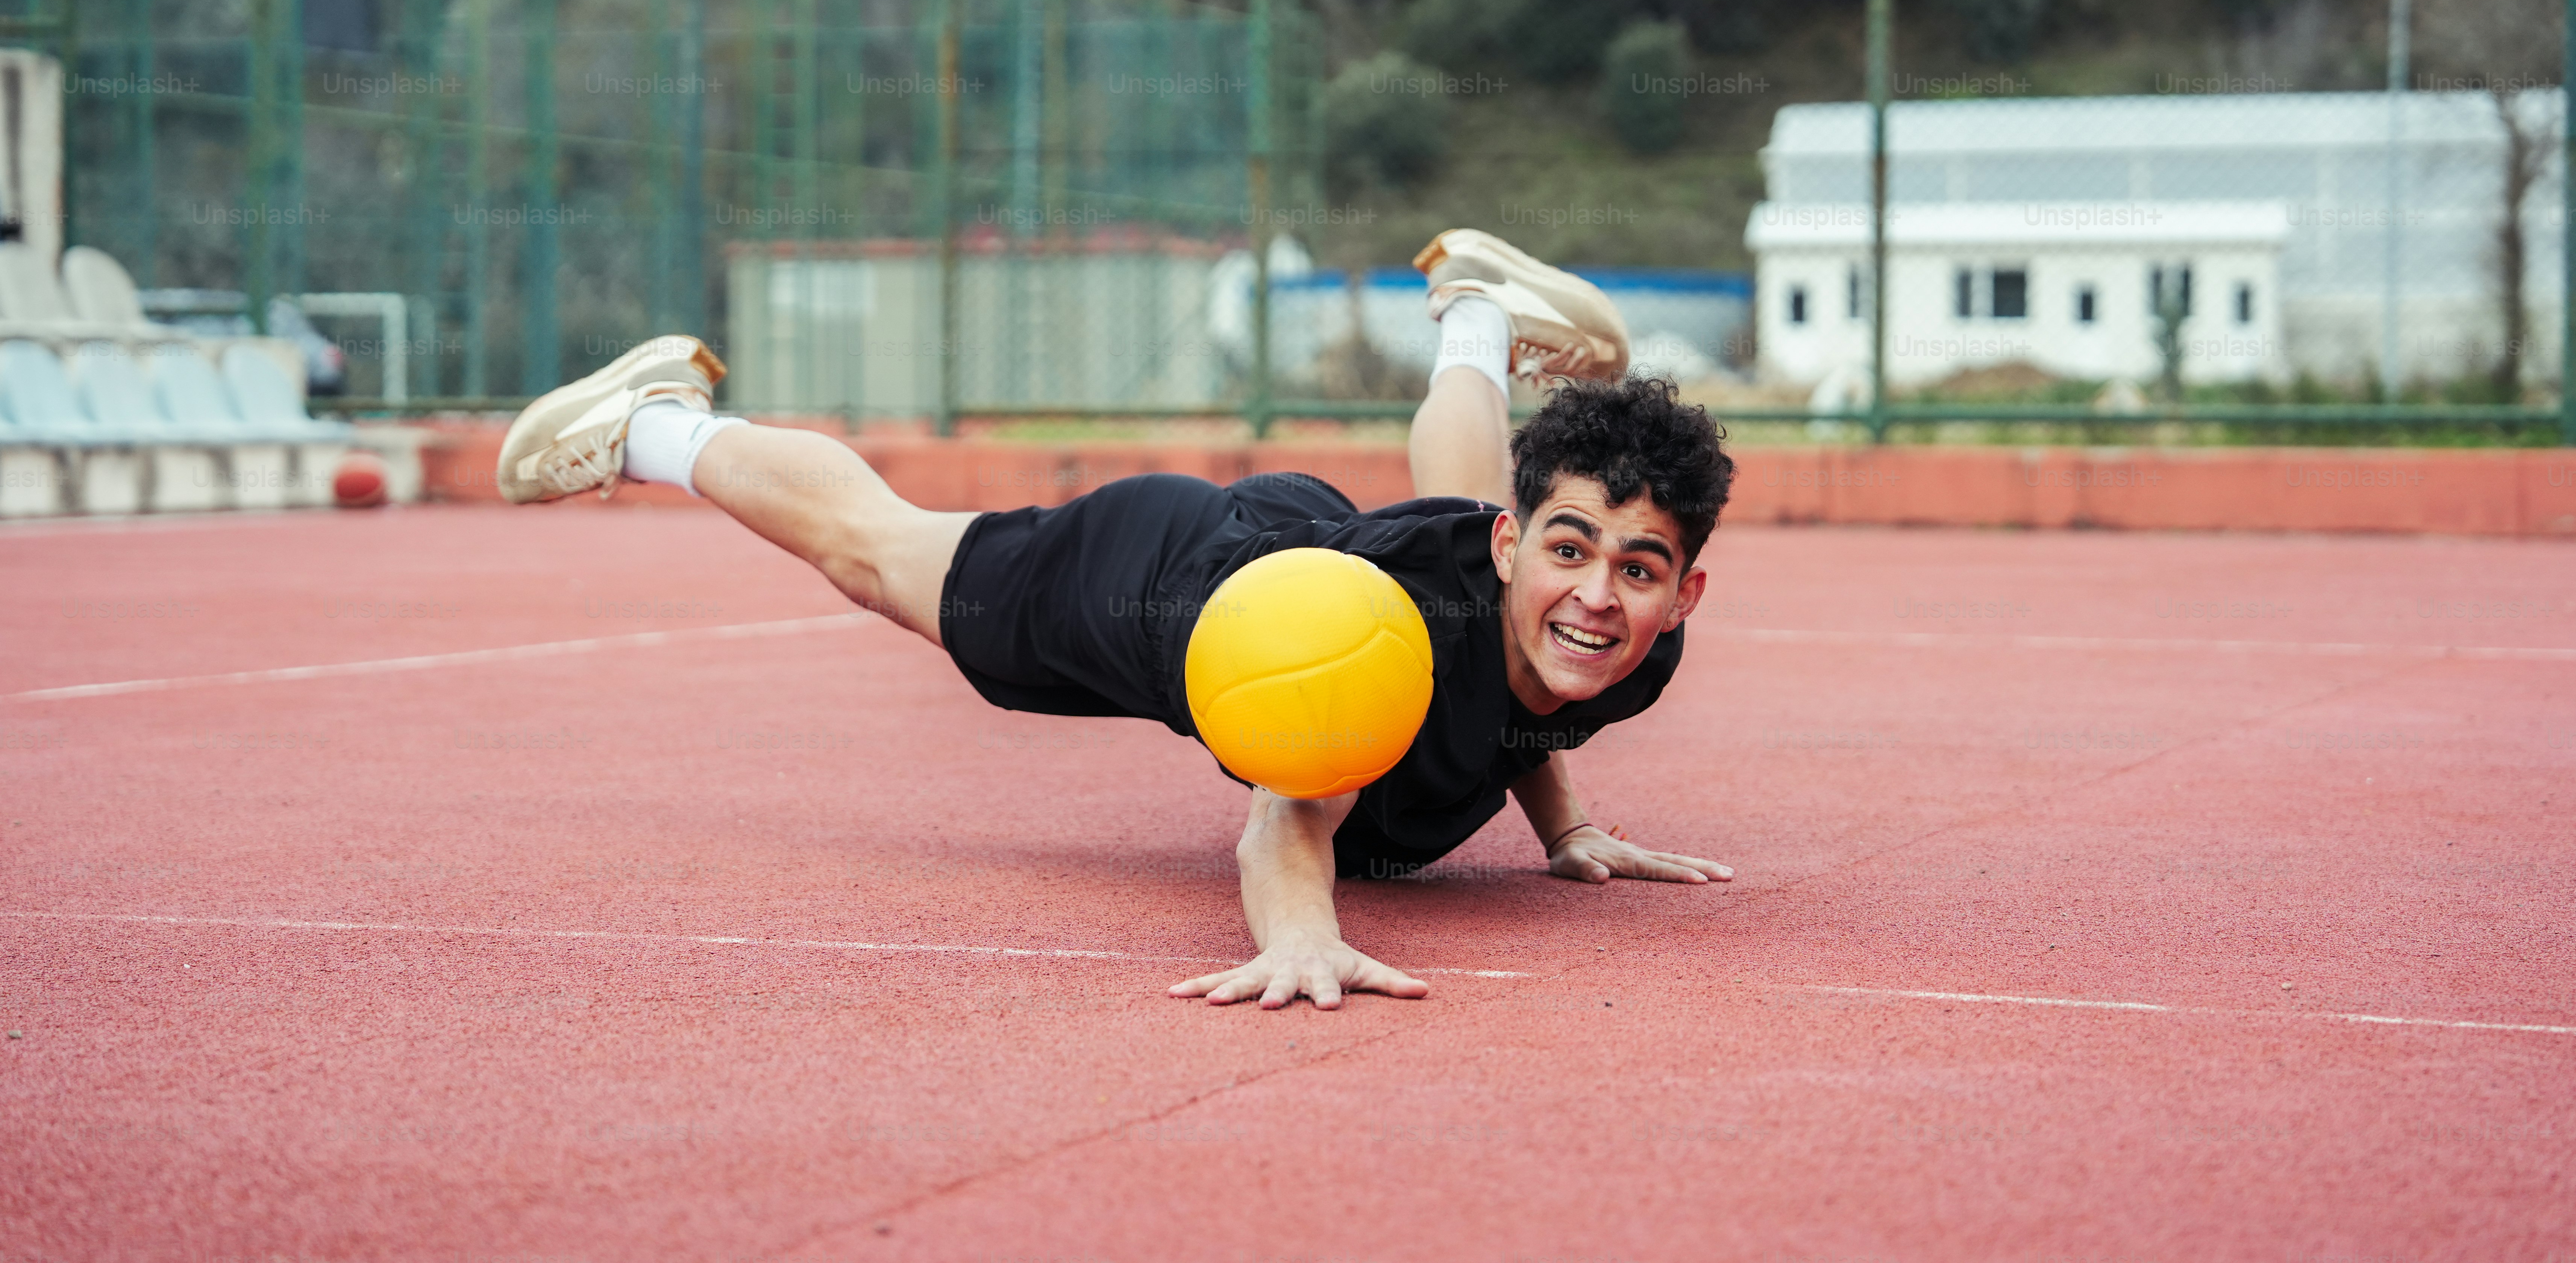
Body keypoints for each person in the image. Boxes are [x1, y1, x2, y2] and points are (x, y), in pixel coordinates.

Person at [496, 228, 1736, 1009]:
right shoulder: (1400, 651)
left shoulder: (1611, 633)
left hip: (1336, 561)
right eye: (1573, 551)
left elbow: (1528, 687)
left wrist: (1568, 823)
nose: (1597, 595)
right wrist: (1302, 943)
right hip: (1177, 586)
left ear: (1683, 594)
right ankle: (656, 421)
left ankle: (1475, 310)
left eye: (1638, 571)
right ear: (1526, 551)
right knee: (885, 561)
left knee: (1467, 518)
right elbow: (1285, 819)